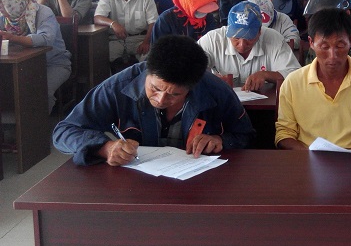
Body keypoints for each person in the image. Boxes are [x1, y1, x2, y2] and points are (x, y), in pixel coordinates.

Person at [52, 35, 255, 166]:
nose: (160, 99)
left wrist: (220, 140)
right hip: (134, 185)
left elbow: (247, 136)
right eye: (155, 88)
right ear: (147, 71)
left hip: (197, 185)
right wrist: (104, 148)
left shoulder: (216, 91)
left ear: (192, 86)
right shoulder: (118, 87)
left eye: (174, 95)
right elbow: (64, 131)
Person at [275, 9, 351, 151]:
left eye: (340, 46)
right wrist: (308, 155)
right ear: (311, 42)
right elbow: (284, 133)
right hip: (307, 158)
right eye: (324, 47)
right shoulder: (293, 82)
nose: (332, 55)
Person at [0, 0, 71, 113]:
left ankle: (38, 124)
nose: (0, 8)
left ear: (14, 1)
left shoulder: (43, 12)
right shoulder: (4, 18)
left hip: (53, 64)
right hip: (20, 65)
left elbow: (45, 39)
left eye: (2, 3)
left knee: (39, 90)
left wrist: (12, 38)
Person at [197, 1, 300, 91]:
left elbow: (295, 75)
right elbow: (190, 67)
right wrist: (210, 79)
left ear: (259, 32)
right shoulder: (212, 40)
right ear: (228, 30)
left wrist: (266, 75)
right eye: (236, 38)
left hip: (263, 105)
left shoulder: (274, 40)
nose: (242, 45)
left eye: (249, 38)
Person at [94, 0, 158, 68]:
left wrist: (146, 42)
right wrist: (113, 24)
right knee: (100, 57)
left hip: (140, 39)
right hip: (116, 40)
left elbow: (153, 21)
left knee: (151, 59)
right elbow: (98, 17)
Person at [151, 0, 219, 43]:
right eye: (200, 9)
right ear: (187, 4)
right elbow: (158, 49)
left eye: (206, 9)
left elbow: (211, 43)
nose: (204, 13)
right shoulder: (166, 20)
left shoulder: (208, 18)